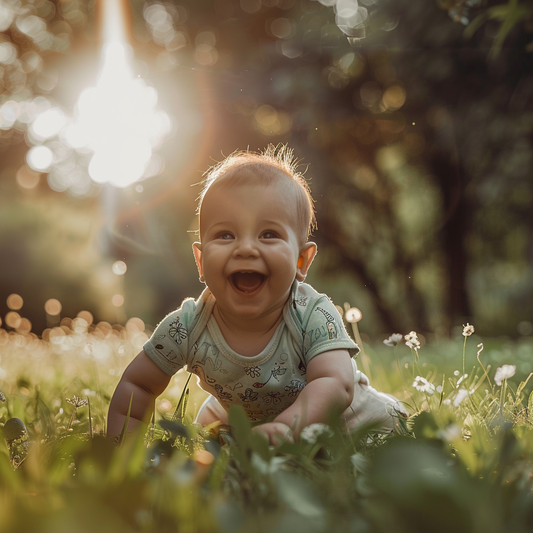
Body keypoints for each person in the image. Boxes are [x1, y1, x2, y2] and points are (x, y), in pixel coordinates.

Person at [107, 145, 406, 444]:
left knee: (388, 433)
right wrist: (119, 449)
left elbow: (335, 384)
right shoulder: (186, 327)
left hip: (349, 420)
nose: (246, 248)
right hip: (247, 418)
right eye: (225, 234)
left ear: (301, 261)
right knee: (210, 431)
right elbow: (138, 385)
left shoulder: (312, 313)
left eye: (268, 234)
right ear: (200, 261)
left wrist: (287, 427)